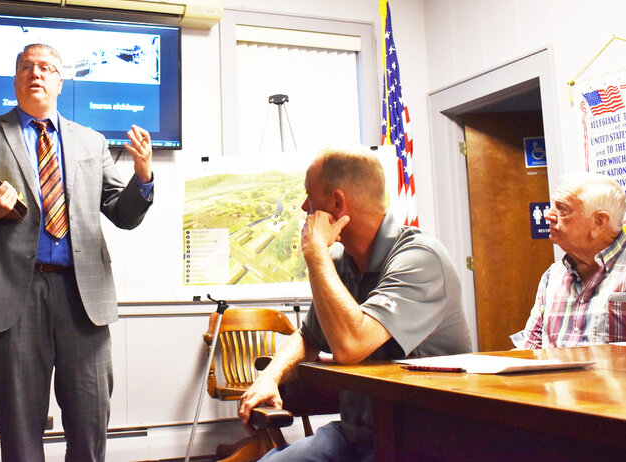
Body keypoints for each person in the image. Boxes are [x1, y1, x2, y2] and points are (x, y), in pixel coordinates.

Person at [0, 43, 153, 462]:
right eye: (26, 67)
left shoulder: (91, 141)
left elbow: (123, 215)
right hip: (10, 297)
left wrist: (142, 177)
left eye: (46, 68)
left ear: (60, 80)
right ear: (15, 79)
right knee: (20, 426)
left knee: (90, 420)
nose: (36, 73)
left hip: (83, 298)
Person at [238, 146, 471, 461]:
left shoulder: (420, 259)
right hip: (356, 435)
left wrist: (315, 251)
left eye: (310, 197)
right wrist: (271, 376)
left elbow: (351, 345)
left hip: (420, 442)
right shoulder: (338, 261)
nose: (305, 207)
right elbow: (309, 337)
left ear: (336, 202)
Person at [511, 172, 626, 349]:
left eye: (562, 208)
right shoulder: (553, 276)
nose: (548, 215)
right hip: (554, 378)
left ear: (599, 221)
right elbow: (530, 350)